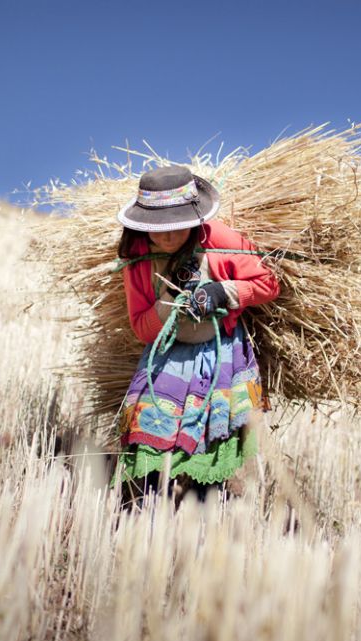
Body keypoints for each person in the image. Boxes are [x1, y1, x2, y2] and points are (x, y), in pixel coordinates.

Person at [114, 164, 279, 501]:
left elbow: (268, 283)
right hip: (167, 355)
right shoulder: (138, 258)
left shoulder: (218, 239)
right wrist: (169, 301)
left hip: (218, 354)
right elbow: (141, 328)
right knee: (149, 432)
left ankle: (203, 517)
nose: (166, 237)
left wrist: (224, 293)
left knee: (211, 439)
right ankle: (143, 514)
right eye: (157, 229)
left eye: (175, 228)